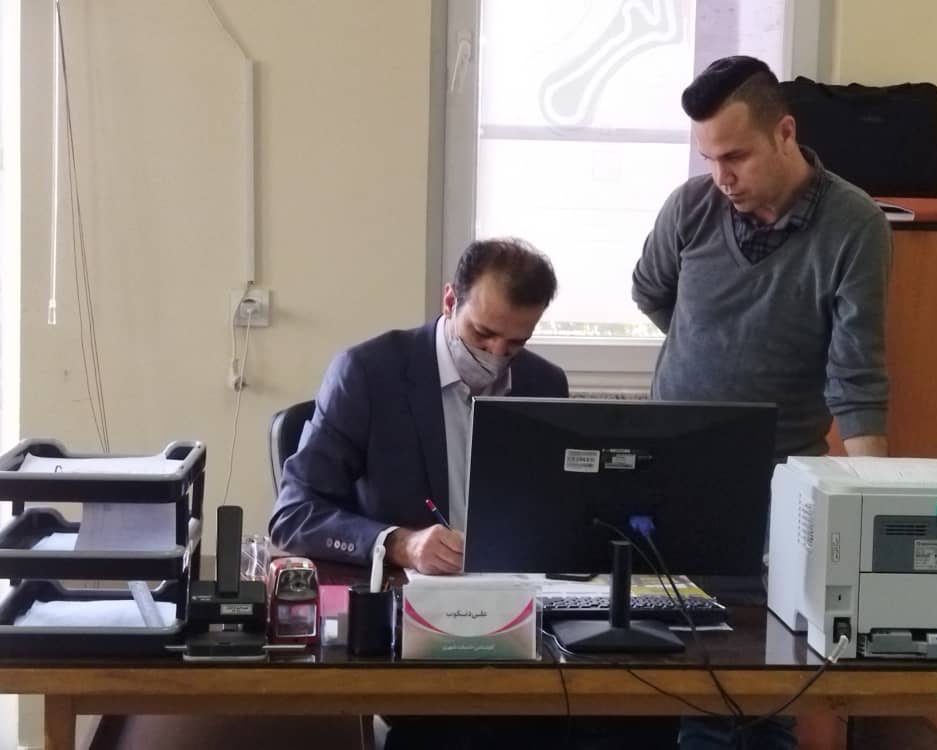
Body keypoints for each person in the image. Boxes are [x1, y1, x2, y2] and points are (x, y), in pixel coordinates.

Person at [631, 56, 892, 749]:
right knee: (677, 669)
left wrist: (875, 510)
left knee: (763, 679)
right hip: (673, 466)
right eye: (709, 159)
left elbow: (856, 376)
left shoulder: (855, 224)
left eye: (736, 156)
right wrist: (708, 344)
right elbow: (651, 291)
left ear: (785, 133)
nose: (722, 177)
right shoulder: (690, 207)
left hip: (781, 480)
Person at [270, 237, 568, 574]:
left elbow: (559, 514)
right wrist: (399, 544)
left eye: (516, 342)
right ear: (450, 301)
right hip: (405, 590)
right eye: (482, 333)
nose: (496, 354)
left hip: (518, 587)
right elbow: (294, 515)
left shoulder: (544, 383)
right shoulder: (369, 374)